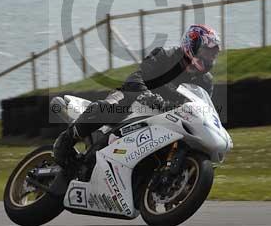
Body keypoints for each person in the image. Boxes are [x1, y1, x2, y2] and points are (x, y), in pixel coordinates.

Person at [52, 23, 221, 167]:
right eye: (207, 51)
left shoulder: (205, 82)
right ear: (193, 45)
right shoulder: (165, 55)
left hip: (167, 116)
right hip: (135, 100)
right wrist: (146, 95)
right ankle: (65, 142)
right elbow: (138, 76)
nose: (210, 57)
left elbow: (201, 107)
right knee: (111, 108)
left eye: (213, 54)